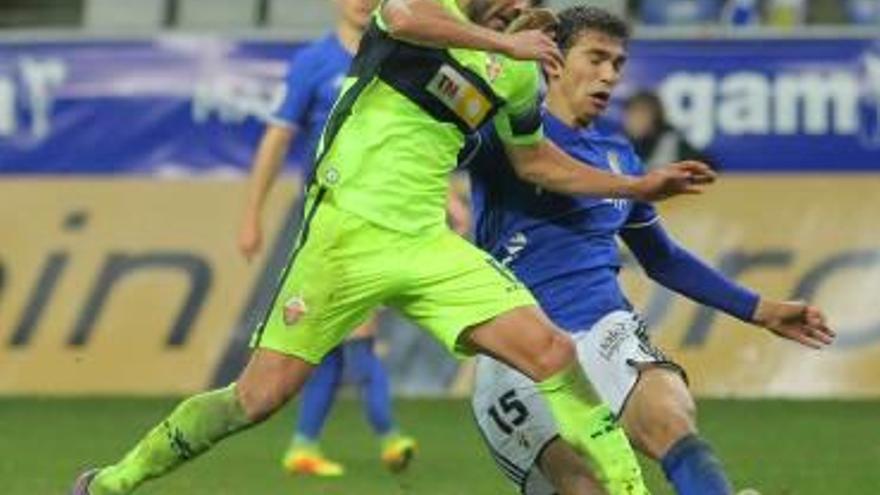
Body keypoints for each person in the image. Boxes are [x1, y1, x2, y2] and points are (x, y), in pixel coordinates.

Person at [71, 1, 716, 493]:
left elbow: (537, 163)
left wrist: (638, 184)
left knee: (551, 350)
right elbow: (404, 15)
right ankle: (111, 482)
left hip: (424, 240)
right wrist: (500, 40)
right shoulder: (431, 13)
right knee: (256, 399)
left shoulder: (519, 73)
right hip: (344, 233)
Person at [465, 6, 835, 495]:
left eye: (617, 64)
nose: (608, 75)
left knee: (671, 419)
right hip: (515, 350)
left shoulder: (618, 155)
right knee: (583, 485)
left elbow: (662, 258)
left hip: (604, 329)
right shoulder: (503, 135)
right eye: (595, 58)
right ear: (553, 60)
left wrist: (761, 310)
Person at [238, 0, 416, 477]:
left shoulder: (400, 55)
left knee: (335, 342)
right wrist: (252, 213)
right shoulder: (313, 62)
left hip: (386, 217)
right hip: (331, 224)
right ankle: (390, 437)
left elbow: (410, 144)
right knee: (361, 333)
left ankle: (303, 444)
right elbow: (276, 139)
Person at [622, 90, 715, 171]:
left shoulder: (671, 141)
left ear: (656, 117)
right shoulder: (619, 144)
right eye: (632, 114)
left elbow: (706, 167)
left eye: (643, 114)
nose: (637, 120)